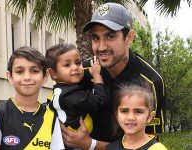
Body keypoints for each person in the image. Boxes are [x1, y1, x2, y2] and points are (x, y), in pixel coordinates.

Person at [62, 2, 165, 149]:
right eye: (96, 38)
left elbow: (146, 145)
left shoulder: (151, 80)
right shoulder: (82, 72)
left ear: (129, 37)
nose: (102, 47)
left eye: (110, 36)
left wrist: (90, 144)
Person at [0, 46, 65, 150]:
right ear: (10, 76)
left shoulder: (52, 117)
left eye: (34, 71)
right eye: (19, 71)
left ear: (45, 76)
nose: (27, 77)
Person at [45, 44, 108, 140]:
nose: (75, 67)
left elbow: (81, 75)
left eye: (78, 63)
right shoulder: (69, 95)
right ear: (53, 73)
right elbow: (99, 101)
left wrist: (90, 72)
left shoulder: (63, 89)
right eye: (67, 65)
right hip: (74, 145)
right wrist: (97, 76)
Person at [106, 84, 167, 150]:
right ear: (117, 115)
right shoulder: (111, 147)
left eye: (138, 111)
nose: (130, 117)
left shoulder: (157, 148)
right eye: (124, 111)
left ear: (150, 117)